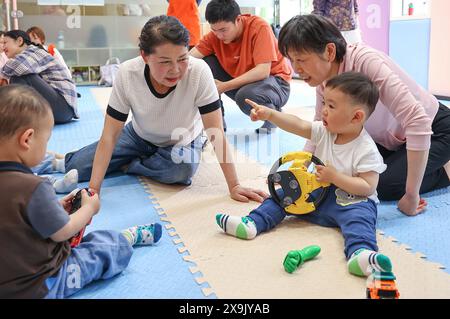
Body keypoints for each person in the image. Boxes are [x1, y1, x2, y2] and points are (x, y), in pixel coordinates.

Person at [62, 15, 267, 203]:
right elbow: (109, 135)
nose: (176, 69)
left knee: (181, 172)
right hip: (138, 135)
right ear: (144, 56)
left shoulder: (199, 72)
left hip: (183, 139)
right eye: (165, 62)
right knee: (76, 167)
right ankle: (135, 161)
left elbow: (216, 133)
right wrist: (93, 191)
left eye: (182, 59)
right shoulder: (127, 73)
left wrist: (234, 185)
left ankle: (128, 164)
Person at [216, 72, 394, 279]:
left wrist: (335, 177)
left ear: (356, 116)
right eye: (325, 103)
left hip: (350, 200)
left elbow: (367, 186)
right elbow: (298, 124)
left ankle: (360, 254)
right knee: (281, 196)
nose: (324, 111)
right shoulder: (325, 131)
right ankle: (252, 223)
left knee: (359, 220)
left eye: (332, 106)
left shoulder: (366, 149)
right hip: (316, 193)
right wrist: (270, 115)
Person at [277, 14, 450, 216]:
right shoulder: (324, 80)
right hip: (391, 140)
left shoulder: (365, 62)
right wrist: (300, 172)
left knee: (384, 187)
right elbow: (321, 128)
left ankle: (445, 168)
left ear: (329, 51)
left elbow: (418, 122)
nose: (296, 68)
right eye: (291, 60)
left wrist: (411, 196)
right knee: (346, 169)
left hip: (436, 130)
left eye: (301, 60)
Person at [0, 85, 162, 299]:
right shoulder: (33, 187)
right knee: (99, 252)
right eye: (46, 140)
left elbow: (14, 220)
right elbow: (63, 231)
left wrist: (56, 208)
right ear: (28, 139)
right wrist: (88, 209)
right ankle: (124, 238)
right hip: (40, 284)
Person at [190, 0, 292, 133]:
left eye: (223, 30)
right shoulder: (215, 36)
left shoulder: (259, 27)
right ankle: (217, 120)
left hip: (276, 83)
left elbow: (263, 71)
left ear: (238, 19)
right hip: (243, 82)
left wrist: (224, 86)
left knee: (245, 96)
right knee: (205, 63)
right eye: (215, 31)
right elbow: (189, 59)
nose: (219, 36)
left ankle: (273, 114)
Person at [0, 30, 78, 124]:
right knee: (16, 76)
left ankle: (17, 118)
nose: (3, 47)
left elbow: (17, 67)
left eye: (5, 42)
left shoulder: (34, 52)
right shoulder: (28, 55)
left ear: (19, 41)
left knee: (22, 76)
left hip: (64, 108)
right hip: (59, 109)